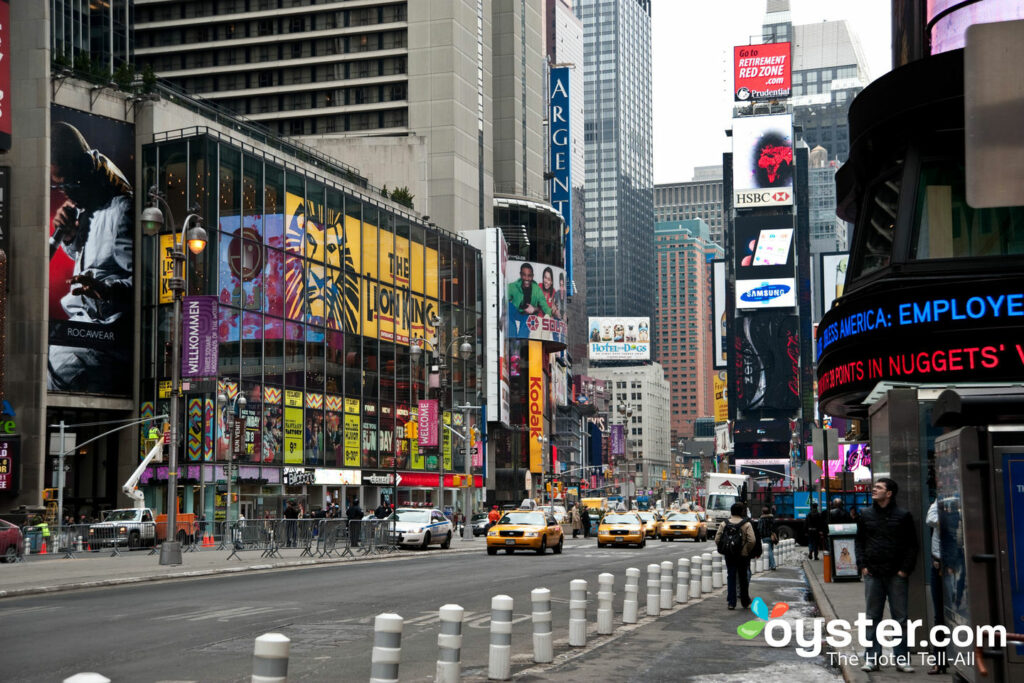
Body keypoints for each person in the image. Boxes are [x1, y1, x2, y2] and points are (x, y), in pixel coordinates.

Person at [48, 121, 133, 393]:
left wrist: (105, 292)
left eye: (68, 184)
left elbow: (143, 288)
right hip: (85, 328)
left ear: (84, 171)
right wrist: (71, 236)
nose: (66, 193)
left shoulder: (122, 212)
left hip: (107, 340)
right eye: (59, 187)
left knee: (50, 373)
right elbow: (97, 260)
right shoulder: (88, 207)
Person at [856, 478, 918, 673]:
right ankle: (872, 658)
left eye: (879, 488)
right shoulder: (865, 514)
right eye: (874, 487)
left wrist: (904, 570)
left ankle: (901, 658)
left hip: (896, 574)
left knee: (900, 617)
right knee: (872, 617)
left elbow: (912, 545)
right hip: (873, 573)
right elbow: (859, 541)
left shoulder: (903, 516)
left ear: (889, 493)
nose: (874, 490)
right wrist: (863, 565)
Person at [714, 502, 757, 610]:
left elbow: (717, 539)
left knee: (731, 576)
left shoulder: (724, 523)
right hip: (742, 556)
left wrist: (725, 549)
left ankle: (731, 602)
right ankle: (745, 602)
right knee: (743, 578)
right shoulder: (746, 524)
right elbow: (752, 540)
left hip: (729, 554)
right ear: (742, 512)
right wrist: (745, 550)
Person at [926, 498, 947, 675]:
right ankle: (940, 660)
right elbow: (931, 519)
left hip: (959, 563)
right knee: (939, 615)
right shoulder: (941, 501)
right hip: (938, 563)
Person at [759, 505, 777, 570]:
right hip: (772, 537)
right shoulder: (772, 518)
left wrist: (760, 535)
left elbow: (760, 528)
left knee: (769, 551)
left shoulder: (761, 519)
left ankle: (773, 565)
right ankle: (770, 564)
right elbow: (775, 527)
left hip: (765, 537)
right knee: (770, 550)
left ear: (763, 512)